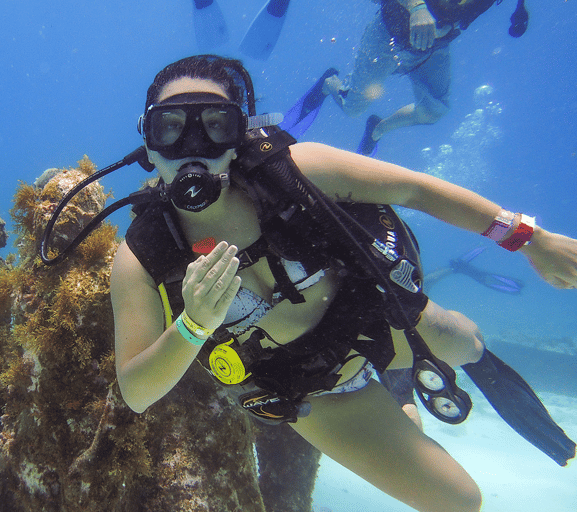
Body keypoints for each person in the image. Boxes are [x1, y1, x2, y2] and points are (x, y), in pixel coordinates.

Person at [108, 55, 576, 512]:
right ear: (148, 145)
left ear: (239, 136)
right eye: (170, 127)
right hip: (312, 385)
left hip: (378, 319)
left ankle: (415, 372)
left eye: (215, 124)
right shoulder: (143, 256)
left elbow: (417, 190)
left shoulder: (297, 171)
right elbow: (137, 391)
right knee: (459, 501)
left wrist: (530, 239)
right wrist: (194, 325)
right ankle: (400, 401)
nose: (193, 145)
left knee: (468, 344)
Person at [285, 0, 528, 155]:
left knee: (435, 110)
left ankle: (376, 130)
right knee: (353, 109)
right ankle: (330, 83)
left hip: (435, 46)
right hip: (388, 34)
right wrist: (417, 7)